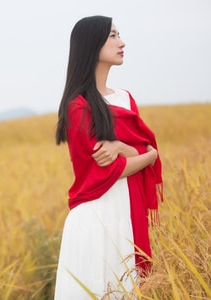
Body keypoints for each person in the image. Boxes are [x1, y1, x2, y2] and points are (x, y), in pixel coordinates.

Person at [54, 15, 163, 299]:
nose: (121, 42)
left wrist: (120, 146)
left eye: (119, 35)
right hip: (97, 219)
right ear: (92, 44)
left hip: (127, 214)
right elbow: (112, 168)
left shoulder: (125, 98)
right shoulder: (78, 106)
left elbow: (140, 149)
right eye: (113, 36)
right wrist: (148, 157)